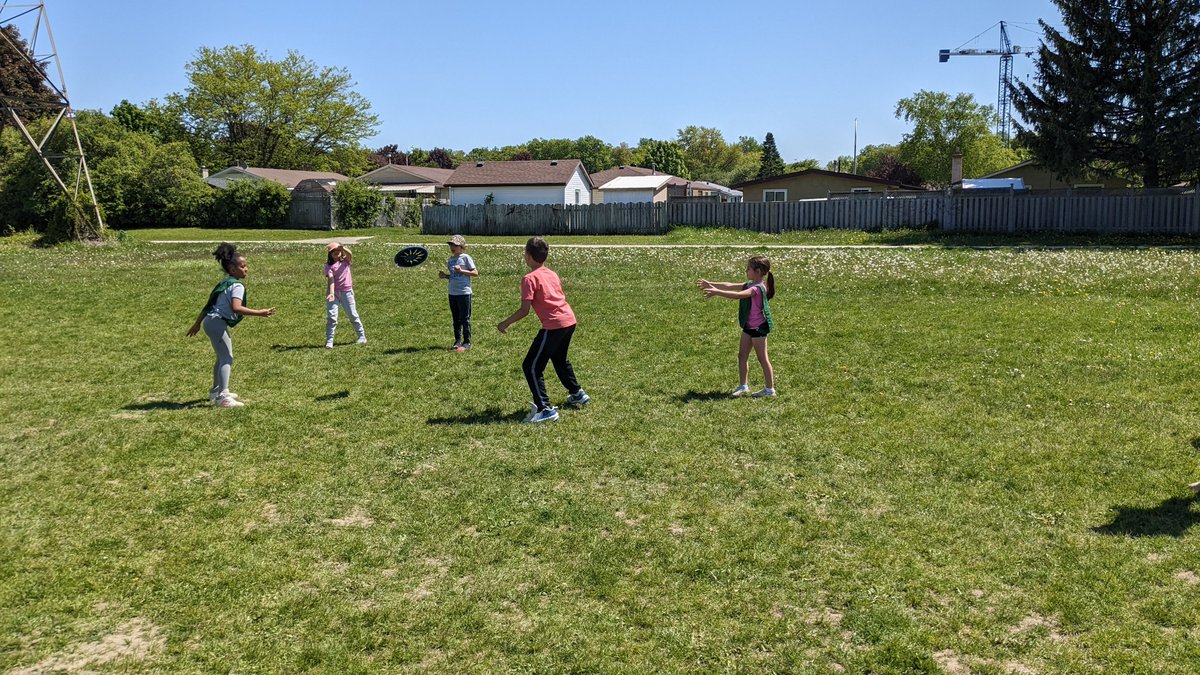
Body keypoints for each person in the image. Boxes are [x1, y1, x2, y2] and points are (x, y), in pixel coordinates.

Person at [497, 237, 589, 423]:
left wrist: (505, 323)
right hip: (569, 321)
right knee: (559, 358)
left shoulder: (529, 279)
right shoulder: (551, 273)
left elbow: (524, 310)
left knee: (531, 366)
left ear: (528, 256)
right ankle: (577, 393)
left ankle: (545, 409)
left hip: (554, 325)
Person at [186, 243, 276, 408]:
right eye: (243, 266)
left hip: (210, 322)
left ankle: (215, 390)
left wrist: (198, 323)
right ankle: (223, 397)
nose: (246, 269)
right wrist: (260, 312)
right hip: (217, 322)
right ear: (232, 269)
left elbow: (208, 305)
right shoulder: (236, 286)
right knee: (227, 357)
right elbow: (236, 308)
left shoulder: (225, 282)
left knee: (221, 357)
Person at [697, 255, 777, 398]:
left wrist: (716, 292)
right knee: (742, 356)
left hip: (758, 328)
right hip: (748, 327)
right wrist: (711, 284)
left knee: (762, 358)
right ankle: (743, 386)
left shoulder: (758, 288)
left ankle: (770, 390)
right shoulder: (750, 284)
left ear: (757, 271)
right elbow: (730, 285)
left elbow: (739, 295)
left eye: (748, 268)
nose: (746, 270)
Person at [437, 234, 478, 351]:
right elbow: (454, 276)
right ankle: (457, 341)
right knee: (455, 319)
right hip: (452, 293)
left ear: (461, 246)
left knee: (465, 318)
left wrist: (462, 270)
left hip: (464, 292)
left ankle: (467, 342)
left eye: (455, 244)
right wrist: (445, 276)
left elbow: (475, 273)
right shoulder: (451, 259)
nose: (452, 247)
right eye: (451, 244)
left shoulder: (465, 257)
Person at [324, 242, 366, 349]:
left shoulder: (346, 262)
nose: (336, 252)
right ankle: (329, 341)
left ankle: (362, 336)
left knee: (352, 314)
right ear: (329, 254)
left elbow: (350, 254)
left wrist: (344, 248)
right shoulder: (328, 266)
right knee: (331, 317)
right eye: (333, 251)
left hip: (347, 292)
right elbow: (331, 279)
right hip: (333, 294)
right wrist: (332, 293)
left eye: (338, 250)